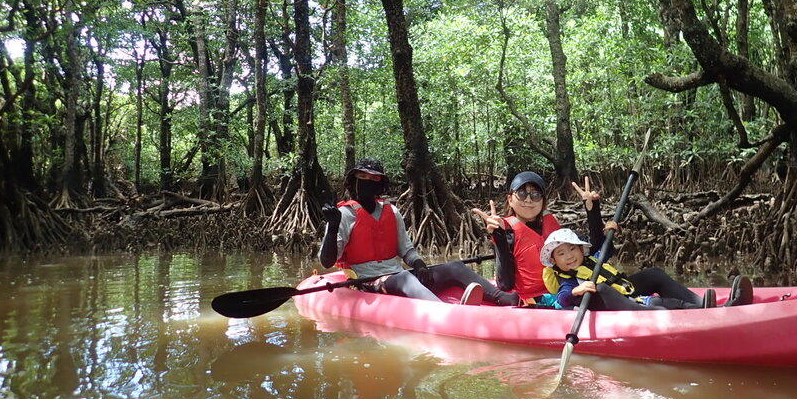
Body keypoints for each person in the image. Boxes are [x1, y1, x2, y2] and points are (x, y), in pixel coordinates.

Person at [319, 158, 516, 306]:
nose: (367, 182)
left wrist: (420, 265)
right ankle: (445, 312)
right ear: (353, 181)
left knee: (455, 267)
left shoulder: (391, 211)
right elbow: (327, 261)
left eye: (373, 178)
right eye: (362, 177)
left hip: (397, 275)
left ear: (380, 183)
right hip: (365, 281)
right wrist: (333, 227)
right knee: (405, 277)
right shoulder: (343, 214)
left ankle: (503, 299)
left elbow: (407, 250)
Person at [472, 172, 623, 307]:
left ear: (543, 201)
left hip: (568, 288)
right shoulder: (507, 231)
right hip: (536, 299)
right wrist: (499, 236)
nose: (529, 200)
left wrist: (592, 210)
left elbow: (592, 250)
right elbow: (505, 284)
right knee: (453, 269)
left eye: (536, 194)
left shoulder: (551, 225)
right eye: (522, 193)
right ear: (510, 199)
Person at [541, 221, 753, 311]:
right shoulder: (567, 278)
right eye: (561, 253)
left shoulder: (590, 261)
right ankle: (653, 313)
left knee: (655, 278)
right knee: (603, 288)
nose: (569, 256)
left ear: (581, 250)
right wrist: (577, 290)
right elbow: (563, 297)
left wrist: (608, 234)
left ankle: (705, 308)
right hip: (625, 309)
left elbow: (607, 251)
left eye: (572, 249)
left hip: (630, 297)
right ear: (555, 261)